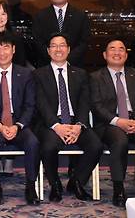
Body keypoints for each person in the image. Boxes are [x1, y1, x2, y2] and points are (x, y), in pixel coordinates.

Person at [90, 38, 135, 208]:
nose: (117, 52)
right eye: (112, 49)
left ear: (126, 54)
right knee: (119, 140)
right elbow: (96, 106)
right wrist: (118, 121)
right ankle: (119, 189)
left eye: (121, 49)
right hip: (110, 124)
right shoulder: (95, 77)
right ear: (104, 54)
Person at [33, 33, 102, 202]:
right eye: (54, 46)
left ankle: (76, 182)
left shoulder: (80, 73)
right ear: (48, 51)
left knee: (96, 145)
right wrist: (56, 126)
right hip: (50, 123)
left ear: (68, 49)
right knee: (48, 147)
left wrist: (79, 125)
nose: (58, 49)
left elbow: (85, 103)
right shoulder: (38, 74)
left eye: (62, 45)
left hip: (75, 122)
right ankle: (55, 183)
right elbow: (41, 103)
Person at [0, 31, 40, 206]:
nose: (2, 52)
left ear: (13, 50)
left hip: (19, 124)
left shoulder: (26, 74)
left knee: (33, 143)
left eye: (6, 47)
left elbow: (30, 106)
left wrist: (18, 126)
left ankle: (30, 186)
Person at [32, 0, 90, 67]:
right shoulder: (40, 16)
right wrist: (54, 58)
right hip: (46, 66)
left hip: (74, 66)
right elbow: (38, 41)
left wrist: (67, 60)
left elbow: (84, 42)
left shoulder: (80, 16)